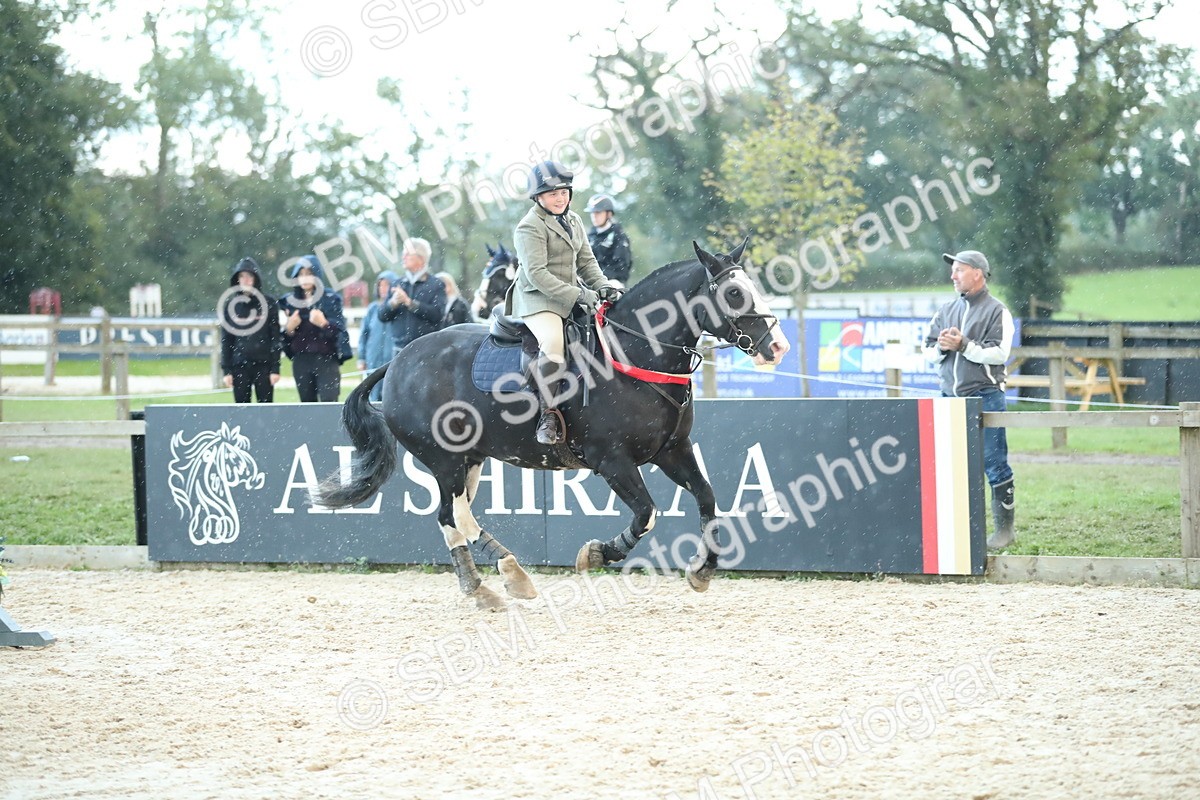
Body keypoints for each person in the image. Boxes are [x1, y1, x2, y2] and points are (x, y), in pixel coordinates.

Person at [511, 161, 622, 445]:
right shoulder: (529, 227)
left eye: (563, 192)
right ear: (538, 197)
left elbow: (586, 261)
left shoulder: (574, 220)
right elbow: (537, 275)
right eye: (552, 194)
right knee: (554, 344)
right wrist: (578, 295)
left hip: (571, 293)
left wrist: (602, 285)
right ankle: (547, 414)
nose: (560, 199)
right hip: (538, 300)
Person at [923, 250, 1017, 549]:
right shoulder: (945, 310)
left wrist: (964, 345)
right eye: (953, 270)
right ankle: (957, 531)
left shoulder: (997, 310)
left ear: (978, 273)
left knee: (994, 463)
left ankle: (1004, 531)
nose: (953, 275)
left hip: (985, 396)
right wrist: (942, 346)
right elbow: (926, 350)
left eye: (959, 270)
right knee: (949, 466)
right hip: (948, 397)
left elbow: (1000, 353)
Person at [280, 255, 350, 402]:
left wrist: (324, 323)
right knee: (307, 407)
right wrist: (289, 329)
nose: (305, 278)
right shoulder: (290, 302)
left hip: (326, 360)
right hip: (301, 361)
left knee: (329, 404)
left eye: (309, 274)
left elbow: (340, 334)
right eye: (301, 274)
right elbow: (285, 339)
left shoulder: (331, 299)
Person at [219, 257, 281, 403]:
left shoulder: (269, 303)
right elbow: (227, 340)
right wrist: (227, 370)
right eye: (242, 276)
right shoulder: (230, 306)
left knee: (265, 410)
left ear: (256, 278)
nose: (245, 280)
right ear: (237, 280)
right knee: (241, 411)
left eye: (249, 276)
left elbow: (275, 338)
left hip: (264, 367)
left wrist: (275, 369)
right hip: (239, 366)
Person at [378, 238, 447, 354]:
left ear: (421, 259)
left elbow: (437, 315)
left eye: (407, 254)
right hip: (398, 351)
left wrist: (410, 303)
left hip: (426, 350)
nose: (403, 257)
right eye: (403, 254)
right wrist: (393, 303)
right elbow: (381, 316)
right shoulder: (396, 284)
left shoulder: (436, 284)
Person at [357, 269, 400, 402]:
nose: (383, 288)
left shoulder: (399, 309)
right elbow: (364, 335)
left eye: (387, 285)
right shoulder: (372, 309)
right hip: (373, 359)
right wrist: (361, 358)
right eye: (380, 285)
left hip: (391, 360)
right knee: (372, 396)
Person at [584, 193, 633, 286]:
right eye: (592, 213)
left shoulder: (619, 237)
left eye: (598, 212)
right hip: (590, 279)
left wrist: (599, 277)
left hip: (612, 281)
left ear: (609, 214)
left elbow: (621, 268)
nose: (594, 216)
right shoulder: (589, 236)